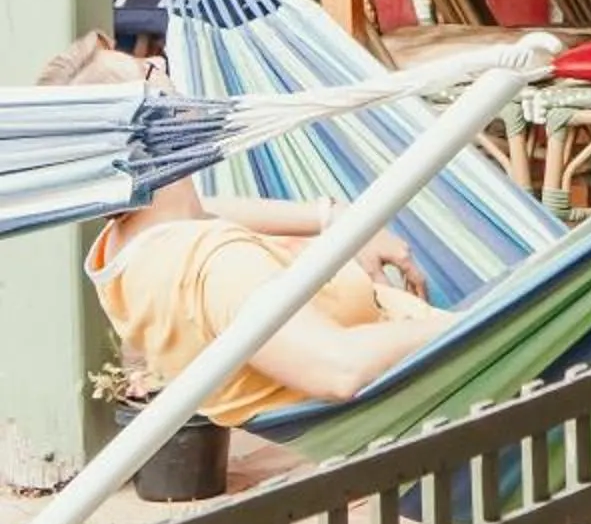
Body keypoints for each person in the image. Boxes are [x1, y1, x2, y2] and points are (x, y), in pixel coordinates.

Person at [89, 177, 451, 424]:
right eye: (151, 74)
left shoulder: (132, 246)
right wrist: (466, 325)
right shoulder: (218, 267)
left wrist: (337, 219)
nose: (165, 71)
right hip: (443, 391)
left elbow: (201, 210)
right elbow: (339, 369)